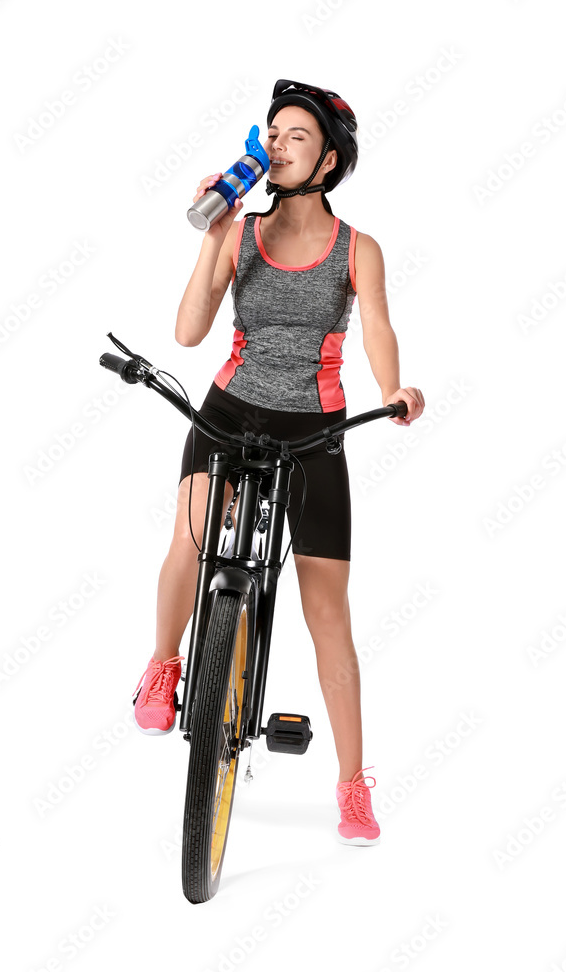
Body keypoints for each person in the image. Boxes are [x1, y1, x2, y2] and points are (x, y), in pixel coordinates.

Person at [131, 80, 425, 846]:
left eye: (297, 136)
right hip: (229, 410)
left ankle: (353, 786)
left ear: (328, 160)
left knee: (328, 614)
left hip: (314, 430)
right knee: (190, 542)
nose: (278, 144)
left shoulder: (359, 249)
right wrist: (212, 231)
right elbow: (190, 334)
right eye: (272, 132)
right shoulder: (238, 233)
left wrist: (394, 390)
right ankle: (164, 666)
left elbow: (379, 331)